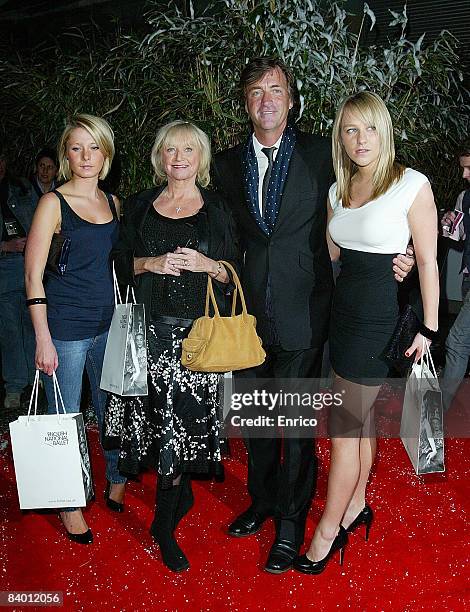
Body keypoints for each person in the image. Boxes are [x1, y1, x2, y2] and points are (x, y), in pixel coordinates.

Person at [212, 57, 414, 574]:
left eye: (276, 89)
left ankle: (291, 527)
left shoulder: (322, 155)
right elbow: (226, 233)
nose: (267, 99)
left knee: (297, 425)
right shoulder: (228, 163)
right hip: (248, 314)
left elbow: (371, 200)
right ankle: (263, 501)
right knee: (259, 420)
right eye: (256, 91)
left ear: (292, 98)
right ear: (246, 102)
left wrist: (399, 254)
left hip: (308, 311)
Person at [293, 91, 439, 575]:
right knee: (360, 426)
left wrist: (428, 327)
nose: (360, 139)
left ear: (385, 129)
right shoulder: (338, 190)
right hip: (344, 318)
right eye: (350, 129)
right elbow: (337, 254)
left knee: (342, 432)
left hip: (379, 325)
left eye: (369, 127)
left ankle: (326, 534)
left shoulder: (410, 184)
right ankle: (355, 505)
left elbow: (428, 261)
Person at [105, 120, 240, 573]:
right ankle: (166, 522)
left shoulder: (218, 208)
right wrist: (150, 262)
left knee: (180, 433)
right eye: (170, 150)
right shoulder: (142, 204)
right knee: (161, 432)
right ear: (159, 156)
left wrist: (209, 264)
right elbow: (120, 262)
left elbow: (235, 271)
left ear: (201, 157)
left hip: (198, 342)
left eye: (188, 150)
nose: (179, 158)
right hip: (150, 337)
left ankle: (165, 516)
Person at [24, 114, 126, 545]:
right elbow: (31, 278)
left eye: (94, 147)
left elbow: (119, 268)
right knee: (63, 420)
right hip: (64, 330)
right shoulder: (53, 203)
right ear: (66, 154)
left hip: (110, 327)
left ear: (106, 152)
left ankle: (117, 474)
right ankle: (68, 502)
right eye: (76, 148)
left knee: (113, 410)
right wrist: (43, 338)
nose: (86, 157)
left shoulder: (114, 203)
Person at [0, 148, 36, 410]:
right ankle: (14, 386)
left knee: (34, 324)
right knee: (10, 330)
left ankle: (38, 378)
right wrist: (6, 247)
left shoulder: (22, 187)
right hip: (4, 270)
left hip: (31, 266)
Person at [441, 140, 470, 410]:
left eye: (469, 168)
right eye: (463, 168)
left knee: (457, 341)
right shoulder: (465, 197)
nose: (464, 175)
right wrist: (448, 222)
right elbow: (458, 236)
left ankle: (438, 407)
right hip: (467, 277)